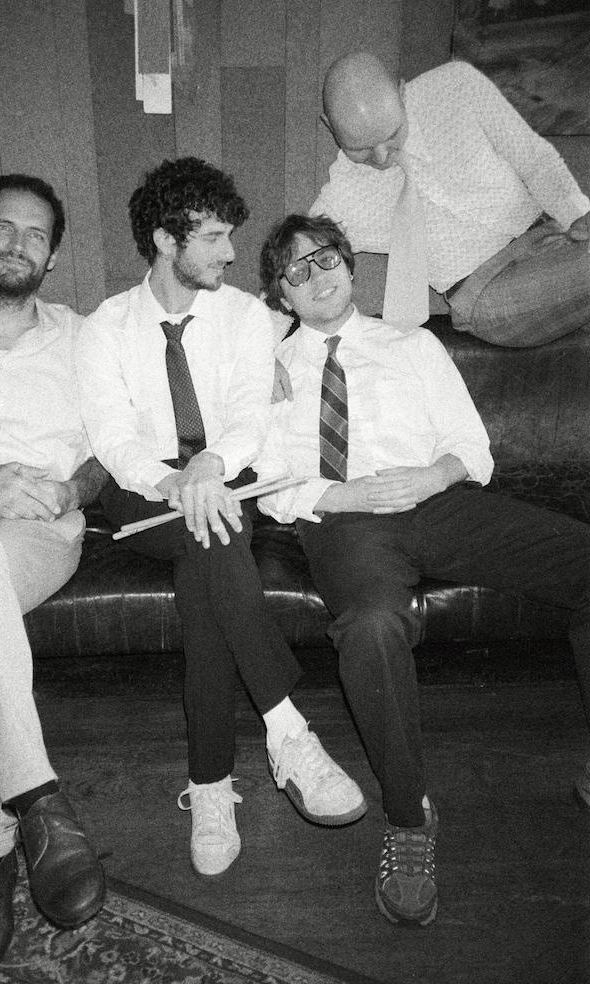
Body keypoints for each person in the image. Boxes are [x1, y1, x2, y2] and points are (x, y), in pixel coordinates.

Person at [256, 212, 590, 926]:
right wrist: (344, 495)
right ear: (281, 295)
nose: (317, 277)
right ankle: (408, 818)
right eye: (296, 271)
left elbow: (472, 445)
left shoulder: (413, 344)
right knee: (373, 627)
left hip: (438, 500)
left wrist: (433, 475)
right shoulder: (266, 371)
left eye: (326, 259)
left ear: (350, 265)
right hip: (345, 522)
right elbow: (268, 486)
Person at [75, 157, 367, 879]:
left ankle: (210, 786)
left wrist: (209, 467)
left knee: (212, 541)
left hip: (225, 480)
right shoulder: (106, 327)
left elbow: (249, 415)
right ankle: (287, 729)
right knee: (213, 526)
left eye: (229, 236)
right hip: (140, 488)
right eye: (211, 237)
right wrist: (175, 480)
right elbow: (112, 438)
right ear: (164, 240)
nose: (230, 253)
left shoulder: (242, 316)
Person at [0, 174, 107, 984]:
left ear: (53, 255)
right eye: (3, 227)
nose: (17, 243)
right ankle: (33, 799)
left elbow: (111, 449)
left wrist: (75, 489)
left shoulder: (82, 339)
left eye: (36, 234)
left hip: (40, 530)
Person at [311, 50, 590, 347]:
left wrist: (578, 217)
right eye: (361, 149)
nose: (381, 157)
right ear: (329, 125)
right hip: (486, 292)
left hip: (554, 242)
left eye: (392, 135)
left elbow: (535, 161)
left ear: (402, 92)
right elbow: (293, 259)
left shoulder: (456, 87)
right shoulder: (341, 197)